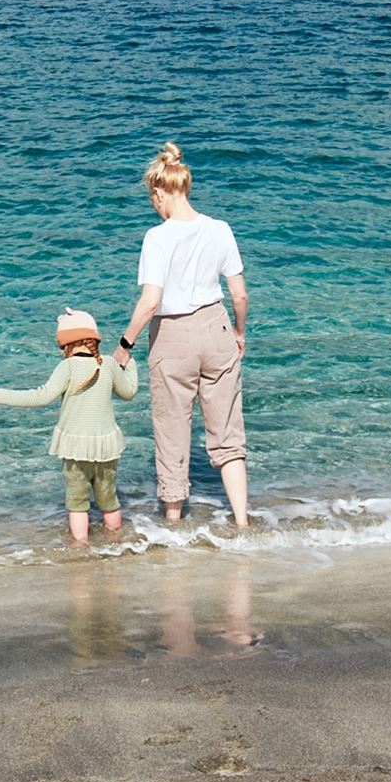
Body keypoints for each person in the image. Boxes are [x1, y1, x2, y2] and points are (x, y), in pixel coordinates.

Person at [111, 142, 252, 529]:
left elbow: (150, 302)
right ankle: (242, 522)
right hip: (216, 327)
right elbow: (239, 294)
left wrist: (124, 347)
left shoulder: (157, 238)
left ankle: (173, 524)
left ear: (159, 193)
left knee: (172, 431)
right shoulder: (221, 229)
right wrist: (239, 333)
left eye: (151, 199)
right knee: (227, 433)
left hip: (173, 337)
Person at [0, 308, 139, 543]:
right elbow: (129, 392)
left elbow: (42, 397)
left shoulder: (67, 367)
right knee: (109, 501)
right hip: (106, 448)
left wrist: (1, 395)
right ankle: (115, 547)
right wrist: (129, 365)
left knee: (78, 503)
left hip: (75, 448)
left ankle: (80, 551)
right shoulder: (109, 365)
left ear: (66, 344)